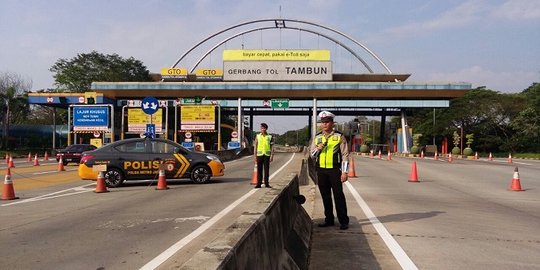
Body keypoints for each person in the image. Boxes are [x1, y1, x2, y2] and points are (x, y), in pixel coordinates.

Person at [310, 111, 350, 230]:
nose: (324, 124)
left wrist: (344, 172)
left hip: (334, 170)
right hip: (321, 170)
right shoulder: (317, 137)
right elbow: (312, 155)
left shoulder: (339, 136)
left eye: (327, 122)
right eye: (322, 122)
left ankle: (343, 221)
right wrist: (318, 148)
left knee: (338, 196)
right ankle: (329, 219)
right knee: (325, 196)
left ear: (332, 123)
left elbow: (345, 154)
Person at [253, 123, 274, 188]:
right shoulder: (258, 136)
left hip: (267, 155)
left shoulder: (270, 137)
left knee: (266, 170)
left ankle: (266, 183)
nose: (263, 129)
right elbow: (255, 146)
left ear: (266, 129)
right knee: (259, 170)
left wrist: (272, 155)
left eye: (264, 128)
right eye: (262, 128)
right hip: (259, 155)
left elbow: (272, 146)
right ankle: (259, 183)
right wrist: (254, 156)